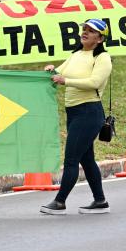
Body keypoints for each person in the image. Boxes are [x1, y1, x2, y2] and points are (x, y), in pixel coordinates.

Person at [40, 18, 112, 215]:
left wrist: (66, 81)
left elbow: (95, 82)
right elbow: (59, 73)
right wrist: (51, 70)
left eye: (91, 31)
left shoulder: (103, 58)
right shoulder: (77, 54)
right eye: (85, 29)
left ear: (99, 38)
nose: (85, 32)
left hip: (89, 112)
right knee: (86, 160)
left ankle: (60, 201)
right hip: (74, 112)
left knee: (71, 159)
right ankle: (100, 201)